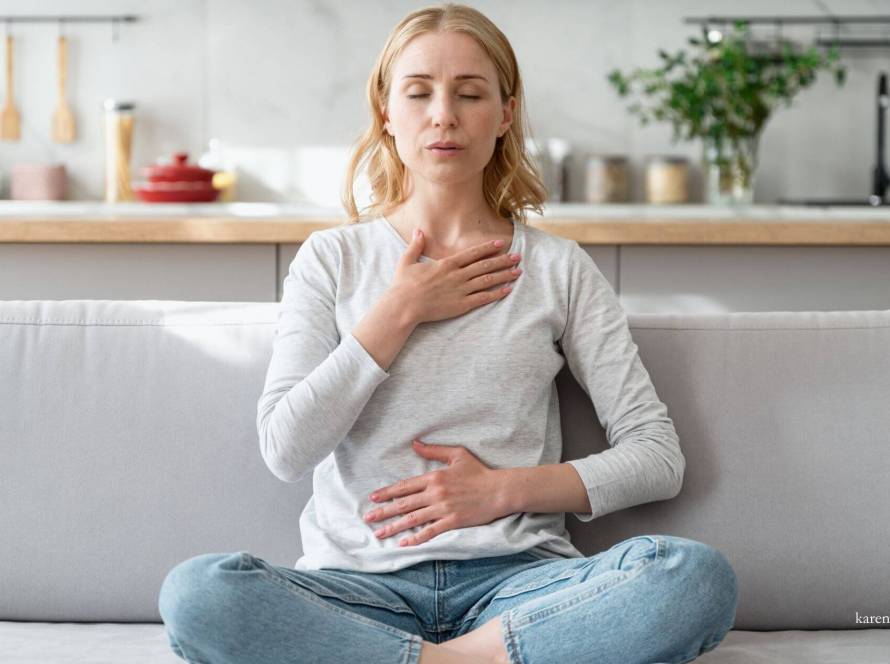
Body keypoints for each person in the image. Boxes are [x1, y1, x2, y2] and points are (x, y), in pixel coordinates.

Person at [157, 4, 738, 663]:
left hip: (519, 582)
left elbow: (657, 457)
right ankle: (473, 659)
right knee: (198, 594)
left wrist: (501, 490)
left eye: (470, 94)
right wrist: (397, 310)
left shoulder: (558, 268)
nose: (444, 115)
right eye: (419, 92)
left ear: (505, 113)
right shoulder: (331, 260)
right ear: (385, 111)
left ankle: (435, 656)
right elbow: (286, 449)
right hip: (357, 589)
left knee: (692, 577)